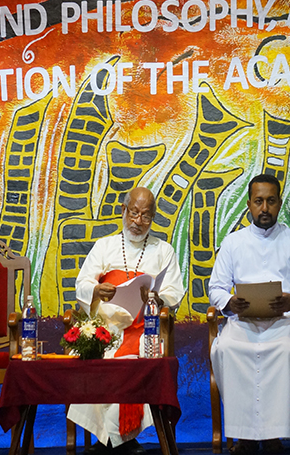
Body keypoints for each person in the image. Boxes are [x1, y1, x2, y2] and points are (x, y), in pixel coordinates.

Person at [208, 173, 290, 454]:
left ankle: (274, 436)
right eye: (258, 201)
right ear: (249, 204)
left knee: (285, 350)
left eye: (271, 201)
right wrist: (229, 303)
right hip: (242, 322)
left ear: (279, 203)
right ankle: (244, 437)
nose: (264, 208)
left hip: (282, 322)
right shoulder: (233, 243)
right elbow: (216, 288)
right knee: (228, 348)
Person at [66, 187, 184, 455]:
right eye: (134, 213)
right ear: (123, 210)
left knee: (136, 358)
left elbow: (174, 293)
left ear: (152, 218)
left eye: (146, 216)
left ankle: (116, 440)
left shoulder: (163, 250)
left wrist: (156, 298)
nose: (138, 221)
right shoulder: (104, 246)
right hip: (106, 327)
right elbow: (82, 283)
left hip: (145, 329)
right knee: (98, 354)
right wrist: (96, 290)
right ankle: (116, 440)